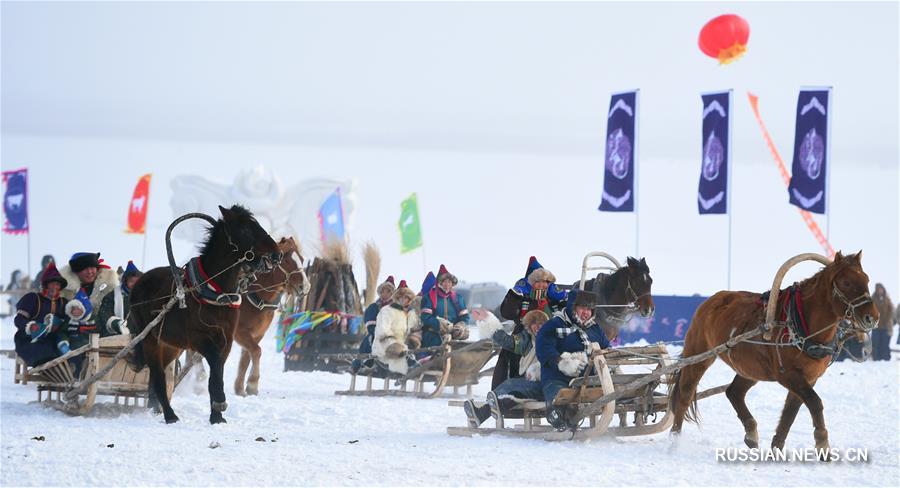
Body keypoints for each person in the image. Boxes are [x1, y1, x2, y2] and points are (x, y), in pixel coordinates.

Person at [536, 289, 610, 430]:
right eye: (582, 308)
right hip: (558, 377)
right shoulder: (555, 324)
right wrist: (561, 362)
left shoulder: (595, 329)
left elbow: (606, 348)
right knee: (558, 393)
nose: (586, 313)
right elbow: (544, 348)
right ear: (572, 307)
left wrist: (610, 362)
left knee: (604, 389)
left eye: (589, 309)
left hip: (589, 379)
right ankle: (556, 414)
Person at [464, 310, 549, 427]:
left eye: (541, 324)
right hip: (531, 385)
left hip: (545, 386)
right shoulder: (527, 340)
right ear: (529, 326)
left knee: (511, 384)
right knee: (512, 394)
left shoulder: (551, 340)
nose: (538, 327)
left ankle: (482, 412)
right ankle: (481, 414)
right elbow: (508, 342)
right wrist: (488, 320)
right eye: (534, 324)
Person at [494, 256, 567, 388]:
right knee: (508, 356)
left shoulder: (552, 300)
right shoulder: (524, 298)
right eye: (538, 281)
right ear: (531, 283)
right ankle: (503, 391)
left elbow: (567, 314)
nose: (543, 285)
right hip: (524, 337)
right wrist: (515, 294)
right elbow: (507, 313)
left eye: (546, 282)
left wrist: (563, 298)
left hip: (551, 338)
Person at [13, 262, 70, 367]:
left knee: (68, 350)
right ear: (45, 284)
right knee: (46, 352)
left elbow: (68, 321)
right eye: (52, 283)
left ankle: (63, 377)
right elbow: (19, 319)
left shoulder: (63, 302)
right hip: (29, 339)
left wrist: (59, 325)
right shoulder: (32, 298)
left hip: (53, 338)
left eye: (57, 284)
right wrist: (31, 327)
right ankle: (51, 376)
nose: (55, 287)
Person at [371, 280, 419, 374]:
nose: (403, 300)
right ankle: (404, 371)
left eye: (406, 298)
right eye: (400, 297)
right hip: (385, 345)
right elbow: (382, 331)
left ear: (409, 300)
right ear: (396, 298)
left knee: (413, 354)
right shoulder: (387, 311)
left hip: (404, 348)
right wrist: (395, 344)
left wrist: (413, 340)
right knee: (401, 356)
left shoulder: (410, 314)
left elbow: (414, 330)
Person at [420, 264, 471, 349]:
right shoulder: (429, 297)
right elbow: (425, 317)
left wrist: (460, 326)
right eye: (445, 281)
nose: (447, 284)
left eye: (449, 282)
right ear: (440, 283)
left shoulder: (458, 298)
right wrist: (440, 325)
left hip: (454, 335)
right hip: (434, 336)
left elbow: (465, 317)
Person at [351, 276, 395, 373]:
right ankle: (360, 364)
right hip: (376, 333)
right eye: (383, 291)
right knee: (368, 343)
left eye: (388, 292)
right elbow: (370, 324)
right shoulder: (374, 307)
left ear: (392, 294)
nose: (385, 294)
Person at [95, 261, 143, 338]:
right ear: (125, 282)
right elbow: (104, 314)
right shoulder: (111, 296)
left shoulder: (146, 297)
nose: (134, 284)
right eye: (131, 281)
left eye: (137, 281)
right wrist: (116, 324)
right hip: (115, 337)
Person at [871, 283, 895, 361]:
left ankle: (885, 358)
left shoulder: (887, 299)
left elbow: (892, 310)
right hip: (876, 325)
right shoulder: (873, 299)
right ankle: (876, 358)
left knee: (885, 343)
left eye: (881, 289)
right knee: (876, 343)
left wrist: (889, 320)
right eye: (878, 289)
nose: (880, 291)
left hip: (886, 325)